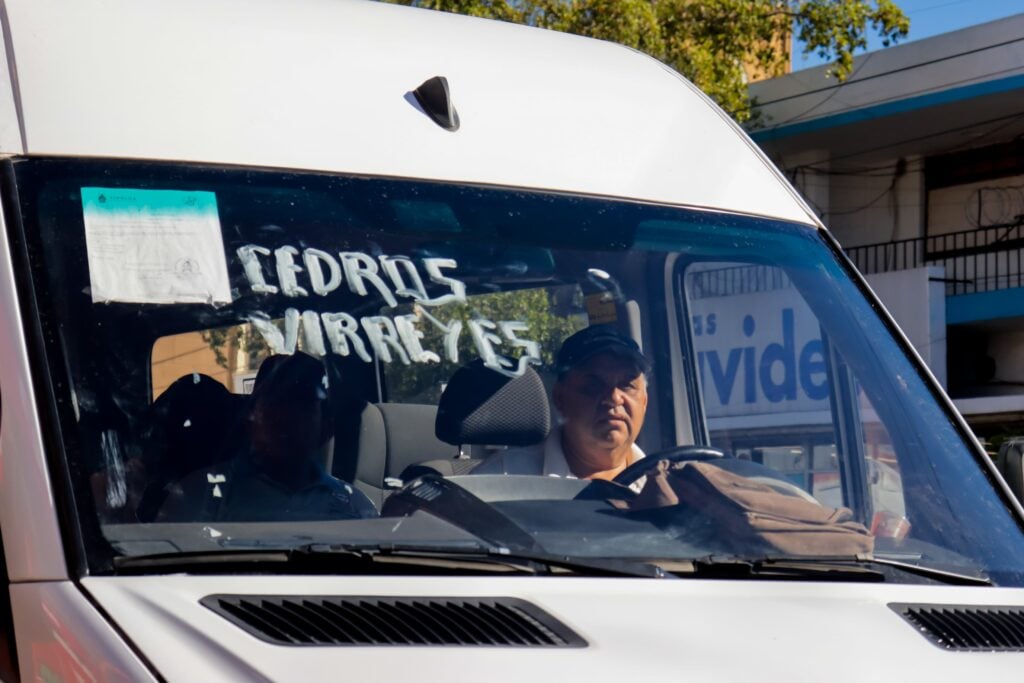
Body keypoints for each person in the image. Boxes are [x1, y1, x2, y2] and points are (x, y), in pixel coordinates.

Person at [158, 352, 377, 522]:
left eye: (302, 405)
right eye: (275, 402)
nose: (286, 417)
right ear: (250, 417)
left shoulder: (352, 505)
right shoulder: (198, 495)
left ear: (326, 429)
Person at [472, 326, 650, 491]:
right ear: (560, 398)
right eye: (594, 385)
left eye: (627, 385)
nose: (613, 398)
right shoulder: (500, 481)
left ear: (644, 402)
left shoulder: (664, 484)